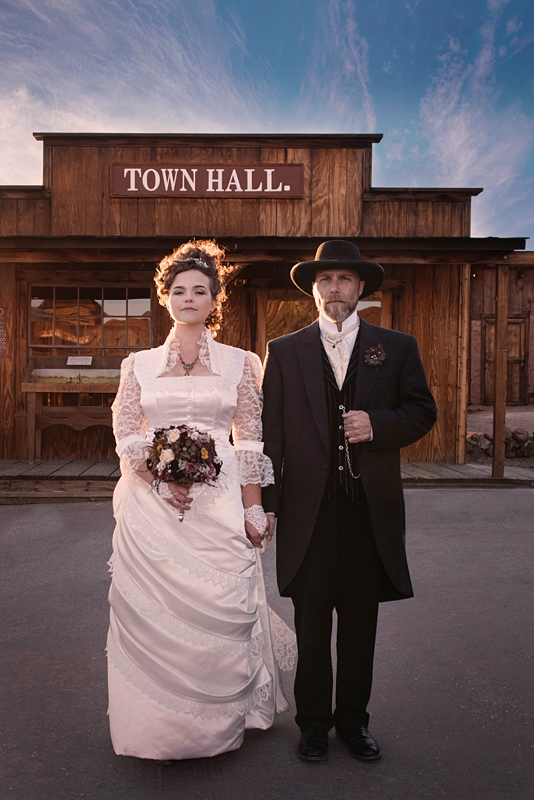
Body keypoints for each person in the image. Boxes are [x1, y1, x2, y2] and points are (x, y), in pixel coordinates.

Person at [107, 239, 291, 762]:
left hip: (222, 498)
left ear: (215, 300)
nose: (189, 298)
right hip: (151, 502)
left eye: (201, 290)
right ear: (165, 298)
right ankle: (156, 725)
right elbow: (125, 432)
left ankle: (222, 720)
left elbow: (250, 437)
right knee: (154, 611)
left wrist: (254, 506)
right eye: (179, 290)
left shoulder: (241, 363)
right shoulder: (137, 364)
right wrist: (160, 479)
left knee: (220, 607)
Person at [262, 239, 437, 762]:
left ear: (361, 288)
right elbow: (270, 435)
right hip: (307, 511)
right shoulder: (285, 350)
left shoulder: (397, 346)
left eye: (343, 279)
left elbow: (422, 412)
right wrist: (266, 503)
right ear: (313, 290)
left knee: (361, 623)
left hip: (367, 511)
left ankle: (354, 722)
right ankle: (312, 724)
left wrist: (377, 425)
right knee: (312, 622)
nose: (334, 287)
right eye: (325, 280)